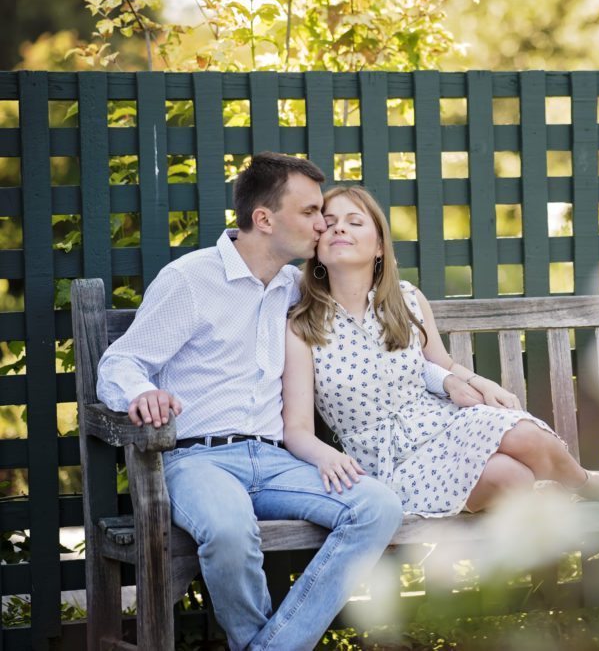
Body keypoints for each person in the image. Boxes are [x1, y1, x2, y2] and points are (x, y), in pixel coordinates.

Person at [96, 154, 423, 651]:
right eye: (310, 212)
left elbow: (377, 337)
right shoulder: (191, 279)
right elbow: (119, 363)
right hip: (197, 459)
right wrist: (142, 392)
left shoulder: (295, 288)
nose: (323, 224)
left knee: (377, 506)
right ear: (265, 219)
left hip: (275, 461)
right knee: (229, 531)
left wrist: (451, 378)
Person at [281, 185, 599, 518]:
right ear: (317, 247)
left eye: (354, 221)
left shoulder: (407, 301)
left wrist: (476, 383)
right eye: (329, 223)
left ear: (380, 246)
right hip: (387, 465)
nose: (339, 228)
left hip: (440, 424)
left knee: (526, 434)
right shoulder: (303, 326)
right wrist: (327, 457)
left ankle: (584, 482)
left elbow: (441, 364)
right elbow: (297, 430)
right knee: (512, 477)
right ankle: (546, 496)